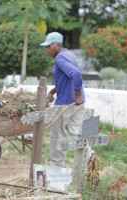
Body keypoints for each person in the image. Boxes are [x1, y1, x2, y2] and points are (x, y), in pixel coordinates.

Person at [40, 32, 86, 167]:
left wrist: (77, 95)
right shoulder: (69, 54)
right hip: (78, 103)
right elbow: (67, 78)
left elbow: (76, 74)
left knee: (57, 133)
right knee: (78, 134)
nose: (46, 50)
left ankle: (58, 166)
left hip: (66, 103)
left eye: (48, 46)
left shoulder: (59, 58)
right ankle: (83, 164)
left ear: (57, 45)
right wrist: (53, 91)